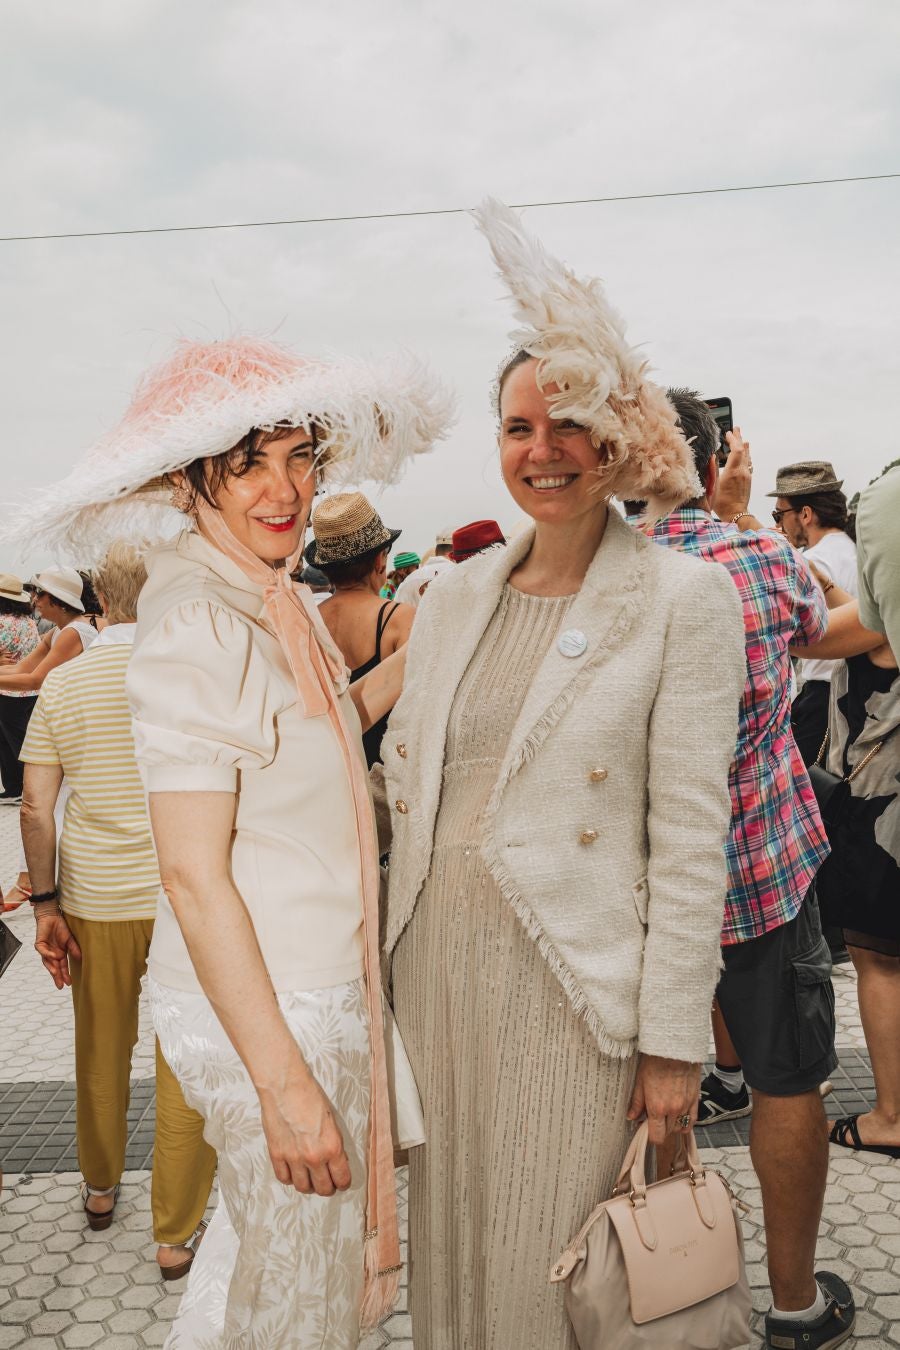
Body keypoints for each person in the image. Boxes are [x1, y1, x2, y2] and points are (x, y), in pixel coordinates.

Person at [0, 335, 453, 1348]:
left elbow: (312, 742)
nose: (283, 488)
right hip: (277, 1011)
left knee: (261, 1270)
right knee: (298, 1303)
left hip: (305, 990)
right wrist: (285, 1086)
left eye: (300, 456)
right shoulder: (204, 620)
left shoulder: (267, 597)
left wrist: (425, 654)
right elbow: (191, 876)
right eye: (246, 463)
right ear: (186, 482)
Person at [383, 201, 747, 1349]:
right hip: (437, 976)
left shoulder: (688, 601)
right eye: (517, 425)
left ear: (620, 437)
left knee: (558, 1269)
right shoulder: (453, 596)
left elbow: (692, 838)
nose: (542, 449)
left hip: (574, 994)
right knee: (456, 1247)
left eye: (570, 422)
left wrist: (675, 1045)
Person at [650, 390, 855, 1350]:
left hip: (639, 886)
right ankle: (791, 1304)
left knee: (645, 1085)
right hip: (760, 866)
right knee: (785, 1079)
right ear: (710, 462)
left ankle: (643, 1283)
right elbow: (825, 621)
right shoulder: (759, 556)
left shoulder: (604, 573)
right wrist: (733, 517)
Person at [18, 541, 216, 1277]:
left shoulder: (65, 683)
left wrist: (44, 902)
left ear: (99, 599)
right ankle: (175, 1231)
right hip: (183, 896)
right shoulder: (189, 677)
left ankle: (100, 1192)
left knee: (100, 1048)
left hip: (96, 897)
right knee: (183, 1055)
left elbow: (36, 806)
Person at [817, 638, 900, 1159]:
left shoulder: (877, 622)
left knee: (882, 965)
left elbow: (813, 634)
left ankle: (890, 1117)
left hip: (882, 815)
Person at [0, 568, 100, 904]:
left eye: (39, 595)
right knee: (46, 801)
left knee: (43, 803)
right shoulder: (58, 632)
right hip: (64, 724)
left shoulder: (75, 632)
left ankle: (33, 880)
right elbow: (22, 669)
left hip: (77, 728)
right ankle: (32, 878)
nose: (34, 602)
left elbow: (34, 680)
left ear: (58, 600)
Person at [310, 493, 416, 768]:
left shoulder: (307, 623)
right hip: (387, 779)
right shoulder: (398, 618)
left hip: (335, 773)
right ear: (380, 560)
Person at [766, 462, 858, 765]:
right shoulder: (854, 551)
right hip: (856, 691)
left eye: (779, 515)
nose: (779, 524)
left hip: (821, 699)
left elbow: (781, 631)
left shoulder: (812, 561)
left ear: (805, 514)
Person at [0, 573, 40, 805]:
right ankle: (16, 788)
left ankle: (20, 788)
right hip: (28, 689)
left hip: (7, 689)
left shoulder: (2, 621)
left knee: (11, 742)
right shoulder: (28, 622)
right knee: (16, 739)